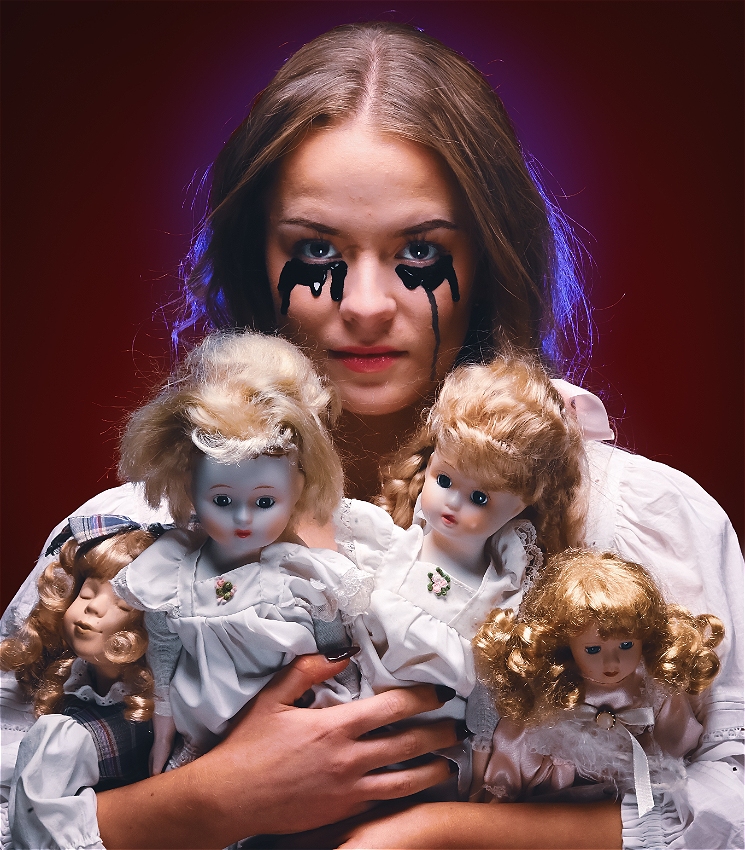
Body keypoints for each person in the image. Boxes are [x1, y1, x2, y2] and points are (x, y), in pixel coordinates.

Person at [1, 20, 741, 850]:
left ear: (490, 258)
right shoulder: (128, 539)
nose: (361, 303)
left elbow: (735, 797)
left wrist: (442, 833)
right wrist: (203, 805)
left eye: (418, 252)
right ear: (256, 262)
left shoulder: (645, 522)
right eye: (316, 249)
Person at [113, 331, 370, 772]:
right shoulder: (173, 569)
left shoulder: (304, 575)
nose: (244, 519)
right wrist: (163, 717)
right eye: (222, 500)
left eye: (265, 501)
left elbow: (337, 657)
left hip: (301, 738)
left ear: (300, 487)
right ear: (190, 487)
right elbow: (164, 651)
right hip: (204, 745)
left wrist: (355, 713)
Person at [345, 355, 586, 727]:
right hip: (355, 706)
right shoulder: (390, 544)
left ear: (519, 507)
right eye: (444, 480)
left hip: (444, 734)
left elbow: (494, 681)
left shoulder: (505, 588)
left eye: (480, 498)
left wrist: (485, 736)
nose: (453, 503)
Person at [471, 549, 723, 818]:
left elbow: (674, 739)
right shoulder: (556, 684)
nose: (612, 663)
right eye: (593, 650)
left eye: (626, 645)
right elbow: (519, 742)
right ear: (567, 644)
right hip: (556, 801)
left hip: (629, 798)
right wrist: (504, 789)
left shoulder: (652, 688)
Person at [0, 525, 157, 848]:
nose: (93, 607)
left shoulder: (137, 714)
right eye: (87, 592)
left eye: (123, 605)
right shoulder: (76, 676)